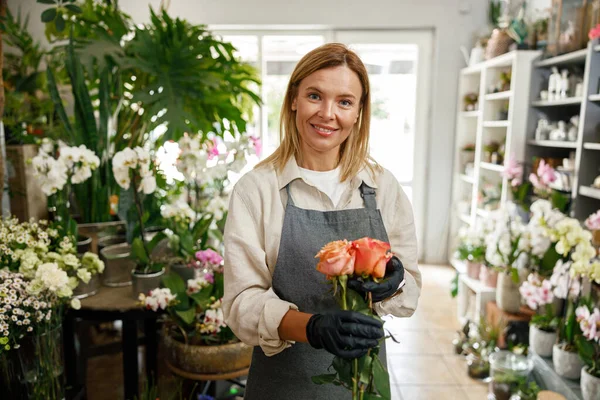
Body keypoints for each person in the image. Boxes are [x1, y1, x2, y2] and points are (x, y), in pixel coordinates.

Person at [223, 42, 421, 399]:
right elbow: (241, 304)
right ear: (294, 99)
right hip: (283, 384)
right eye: (315, 95)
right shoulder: (256, 191)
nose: (328, 114)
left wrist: (395, 281)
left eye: (345, 101)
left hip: (365, 383)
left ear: (359, 112)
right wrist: (311, 328)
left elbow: (411, 292)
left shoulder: (382, 187)